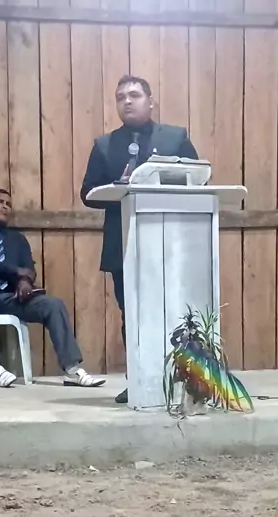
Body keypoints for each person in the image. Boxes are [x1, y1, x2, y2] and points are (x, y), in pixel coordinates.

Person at [80, 74, 199, 403]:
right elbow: (87, 193)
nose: (127, 101)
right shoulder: (105, 145)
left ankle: (186, 380)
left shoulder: (175, 137)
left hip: (170, 244)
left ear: (151, 101)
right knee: (131, 315)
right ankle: (139, 381)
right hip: (124, 244)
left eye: (134, 95)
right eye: (121, 97)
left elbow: (199, 177)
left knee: (178, 313)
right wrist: (118, 188)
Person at [0, 189, 104, 389]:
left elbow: (28, 268)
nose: (5, 206)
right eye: (0, 202)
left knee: (53, 305)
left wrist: (25, 281)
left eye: (8, 204)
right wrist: (16, 272)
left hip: (13, 296)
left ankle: (72, 369)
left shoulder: (17, 239)